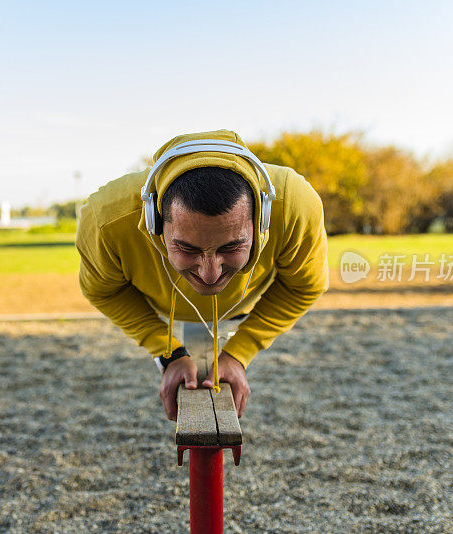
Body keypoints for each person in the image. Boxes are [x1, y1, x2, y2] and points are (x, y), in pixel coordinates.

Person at [76, 129, 329, 421]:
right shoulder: (105, 219)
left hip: (240, 309)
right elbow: (102, 290)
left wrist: (238, 353)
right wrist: (168, 351)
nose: (210, 274)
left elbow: (304, 287)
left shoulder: (296, 206)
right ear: (153, 221)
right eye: (187, 248)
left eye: (232, 246)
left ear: (263, 219)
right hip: (161, 307)